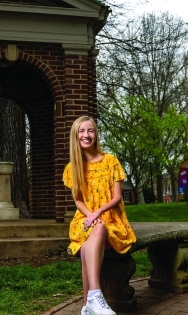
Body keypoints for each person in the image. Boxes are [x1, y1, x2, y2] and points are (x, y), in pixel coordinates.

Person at [62, 116, 137, 315]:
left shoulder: (110, 161)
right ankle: (93, 300)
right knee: (96, 230)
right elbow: (78, 200)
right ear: (75, 136)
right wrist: (90, 215)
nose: (86, 135)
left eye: (90, 131)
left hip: (111, 216)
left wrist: (97, 213)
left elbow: (117, 197)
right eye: (81, 131)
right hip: (84, 219)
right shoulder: (72, 168)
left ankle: (89, 302)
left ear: (96, 134)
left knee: (91, 241)